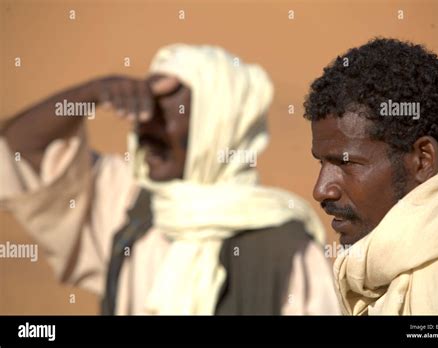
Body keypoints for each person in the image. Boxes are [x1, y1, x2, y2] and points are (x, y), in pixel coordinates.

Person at [0, 44, 340, 315]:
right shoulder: (132, 206)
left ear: (218, 130)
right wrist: (93, 92)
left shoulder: (287, 252)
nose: (147, 127)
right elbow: (18, 152)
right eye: (146, 112)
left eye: (167, 114)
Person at [303, 38, 438, 315]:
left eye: (346, 163)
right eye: (321, 163)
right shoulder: (367, 278)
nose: (321, 190)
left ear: (422, 160)